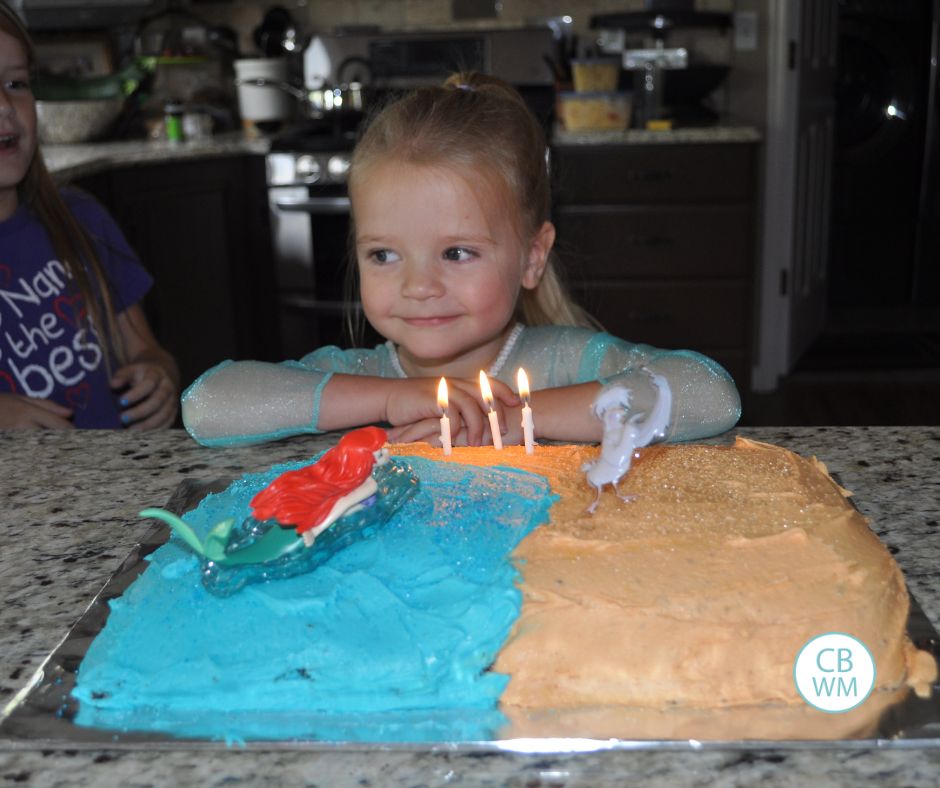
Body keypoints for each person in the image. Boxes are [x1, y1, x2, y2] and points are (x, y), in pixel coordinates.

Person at [182, 72, 741, 448]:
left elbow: (710, 392)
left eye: (456, 252)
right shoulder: (363, 376)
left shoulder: (566, 363)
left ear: (532, 256)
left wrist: (508, 418)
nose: (418, 284)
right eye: (383, 254)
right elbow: (207, 405)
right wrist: (393, 399)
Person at [0, 2, 179, 430]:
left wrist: (160, 377)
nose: (5, 105)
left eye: (16, 82)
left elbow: (148, 352)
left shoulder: (79, 217)